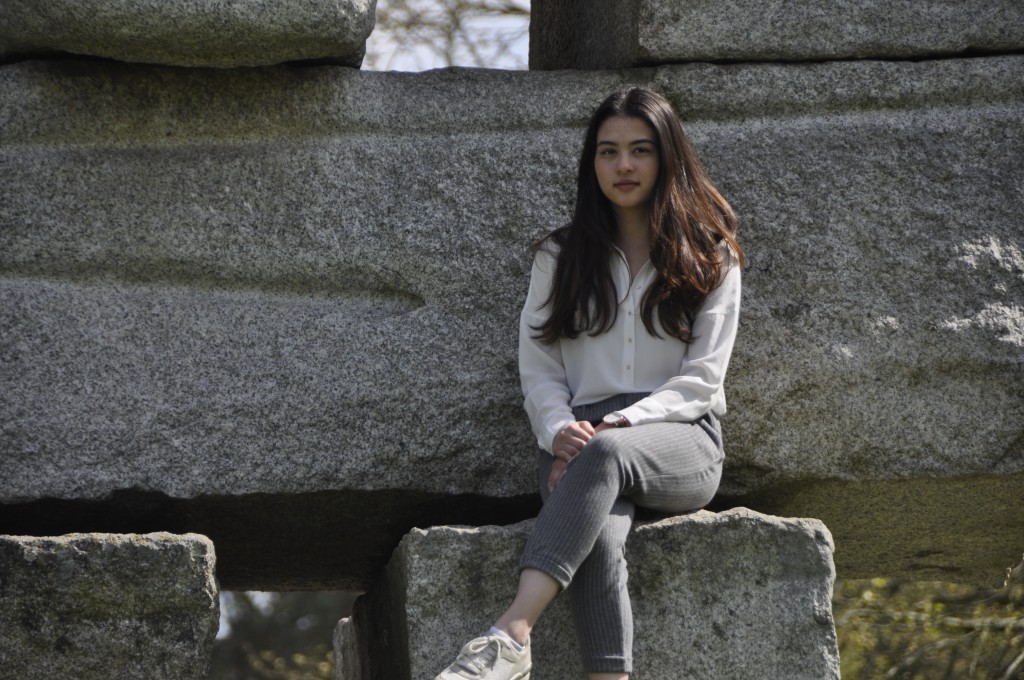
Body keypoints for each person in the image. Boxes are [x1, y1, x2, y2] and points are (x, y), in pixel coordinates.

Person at [435, 86, 744, 680]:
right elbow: (540, 368)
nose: (623, 166)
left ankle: (511, 634)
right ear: (591, 163)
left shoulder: (711, 255)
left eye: (639, 150)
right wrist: (558, 433)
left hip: (683, 441)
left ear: (667, 157)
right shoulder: (560, 254)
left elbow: (703, 380)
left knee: (603, 456)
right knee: (596, 533)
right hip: (579, 442)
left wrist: (616, 426)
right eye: (607, 152)